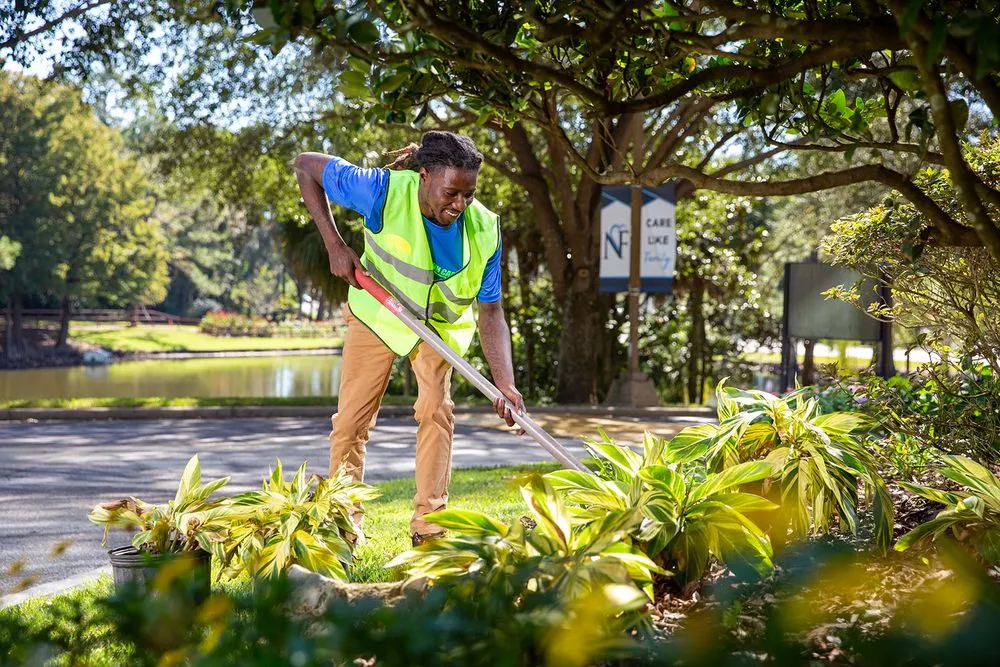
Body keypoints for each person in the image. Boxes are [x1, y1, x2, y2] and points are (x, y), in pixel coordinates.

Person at [293, 130, 525, 547]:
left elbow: (491, 310)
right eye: (451, 192)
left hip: (436, 331)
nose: (459, 205)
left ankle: (429, 528)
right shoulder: (381, 191)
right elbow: (306, 165)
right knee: (350, 422)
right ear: (424, 175)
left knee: (437, 412)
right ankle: (345, 526)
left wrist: (504, 381)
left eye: (468, 195)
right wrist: (334, 244)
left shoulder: (486, 229)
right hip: (378, 316)